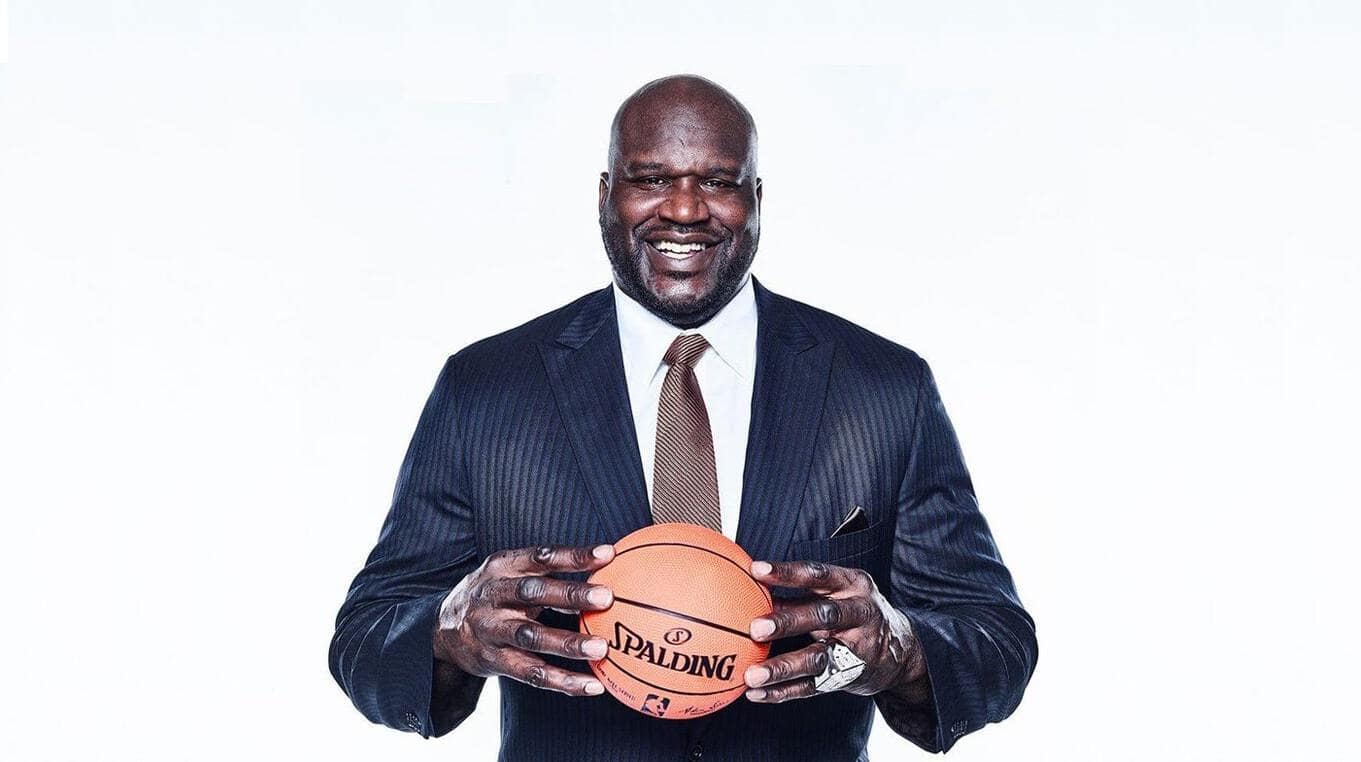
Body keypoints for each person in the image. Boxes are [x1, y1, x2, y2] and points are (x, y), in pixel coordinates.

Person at [329, 74, 1037, 760]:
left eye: (719, 182)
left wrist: (901, 649)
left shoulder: (883, 388)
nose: (686, 209)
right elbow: (364, 643)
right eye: (651, 178)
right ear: (605, 195)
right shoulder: (486, 388)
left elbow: (996, 643)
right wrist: (446, 633)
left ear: (756, 199)